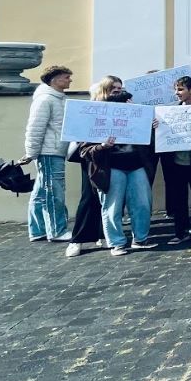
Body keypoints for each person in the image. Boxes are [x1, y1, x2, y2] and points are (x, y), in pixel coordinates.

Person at [77, 88, 157, 256]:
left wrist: (150, 128)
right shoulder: (99, 121)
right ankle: (117, 243)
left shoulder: (138, 119)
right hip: (112, 168)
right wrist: (102, 146)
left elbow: (150, 145)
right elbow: (84, 151)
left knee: (142, 204)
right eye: (127, 103)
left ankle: (140, 239)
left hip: (136, 166)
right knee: (112, 207)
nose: (131, 106)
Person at [63, 74, 121, 258]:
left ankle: (103, 234)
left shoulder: (122, 107)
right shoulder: (90, 109)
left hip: (114, 158)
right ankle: (78, 240)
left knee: (110, 199)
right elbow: (81, 137)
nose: (118, 93)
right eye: (115, 90)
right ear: (105, 91)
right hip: (93, 158)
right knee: (89, 198)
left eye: (120, 90)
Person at [22, 65, 73, 243]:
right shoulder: (45, 99)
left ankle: (37, 230)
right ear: (54, 79)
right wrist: (31, 153)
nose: (70, 80)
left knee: (41, 192)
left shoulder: (58, 98)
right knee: (54, 192)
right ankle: (57, 231)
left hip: (54, 151)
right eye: (66, 77)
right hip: (49, 152)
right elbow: (35, 128)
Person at [162, 76, 191, 244]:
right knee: (179, 199)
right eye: (176, 89)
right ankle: (180, 232)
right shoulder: (170, 111)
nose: (177, 93)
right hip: (176, 163)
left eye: (180, 89)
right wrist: (157, 126)